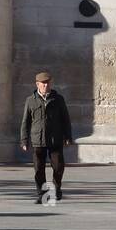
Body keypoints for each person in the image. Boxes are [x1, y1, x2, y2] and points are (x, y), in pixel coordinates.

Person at [19, 71, 73, 203]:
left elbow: (66, 119)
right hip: (38, 139)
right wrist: (24, 140)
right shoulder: (30, 100)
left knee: (58, 166)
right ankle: (42, 194)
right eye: (43, 83)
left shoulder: (58, 99)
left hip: (55, 138)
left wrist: (68, 136)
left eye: (48, 83)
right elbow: (25, 122)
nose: (46, 85)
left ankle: (56, 189)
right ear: (37, 84)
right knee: (39, 168)